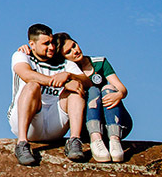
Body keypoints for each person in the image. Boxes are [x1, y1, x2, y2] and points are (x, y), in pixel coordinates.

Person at [8, 23, 87, 166]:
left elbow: (87, 82)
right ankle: (22, 144)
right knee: (32, 85)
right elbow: (26, 74)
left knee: (76, 90)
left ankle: (74, 140)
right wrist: (59, 82)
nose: (51, 47)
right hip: (29, 121)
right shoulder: (21, 55)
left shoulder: (64, 64)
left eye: (52, 42)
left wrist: (69, 76)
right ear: (32, 44)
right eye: (46, 44)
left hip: (55, 122)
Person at [53, 32, 132, 163]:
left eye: (74, 45)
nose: (75, 51)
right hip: (87, 127)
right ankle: (96, 140)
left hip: (114, 120)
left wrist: (119, 94)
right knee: (93, 90)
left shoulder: (99, 62)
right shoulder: (65, 72)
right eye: (68, 52)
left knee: (107, 88)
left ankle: (115, 140)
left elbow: (122, 88)